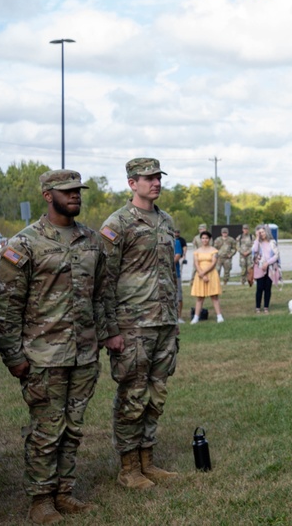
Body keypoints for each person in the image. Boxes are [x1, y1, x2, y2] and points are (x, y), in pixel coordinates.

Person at [0, 170, 109, 523]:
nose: (75, 195)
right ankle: (40, 500)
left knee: (73, 427)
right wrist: (13, 354)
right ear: (48, 195)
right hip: (43, 356)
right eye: (67, 191)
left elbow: (100, 295)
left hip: (84, 353)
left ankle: (64, 492)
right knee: (46, 431)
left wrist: (106, 336)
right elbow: (6, 305)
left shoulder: (91, 240)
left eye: (78, 190)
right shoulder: (24, 244)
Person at [100, 157, 179, 491]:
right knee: (132, 396)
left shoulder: (165, 220)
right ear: (132, 183)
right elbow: (104, 280)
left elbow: (170, 273)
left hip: (164, 323)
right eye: (148, 178)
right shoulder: (118, 223)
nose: (156, 183)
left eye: (158, 177)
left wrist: (176, 316)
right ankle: (128, 467)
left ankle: (148, 460)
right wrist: (110, 330)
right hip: (132, 326)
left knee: (155, 395)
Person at [190, 231, 223, 323]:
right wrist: (201, 274)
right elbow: (196, 263)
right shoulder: (197, 251)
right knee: (200, 297)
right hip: (200, 275)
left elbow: (213, 263)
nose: (204, 240)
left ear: (209, 239)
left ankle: (219, 316)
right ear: (201, 239)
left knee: (214, 296)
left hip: (211, 274)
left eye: (206, 238)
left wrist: (204, 273)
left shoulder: (214, 250)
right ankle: (196, 317)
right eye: (203, 238)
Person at [251, 225, 279, 314]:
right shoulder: (258, 243)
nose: (261, 234)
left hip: (270, 268)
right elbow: (254, 250)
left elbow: (276, 255)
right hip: (259, 268)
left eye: (263, 232)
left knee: (268, 288)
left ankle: (266, 307)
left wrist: (267, 263)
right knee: (259, 288)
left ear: (266, 232)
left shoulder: (272, 242)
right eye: (259, 232)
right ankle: (258, 307)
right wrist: (257, 238)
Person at [173, 230, 185, 324]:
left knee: (178, 296)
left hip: (175, 273)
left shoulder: (176, 242)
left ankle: (179, 316)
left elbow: (177, 256)